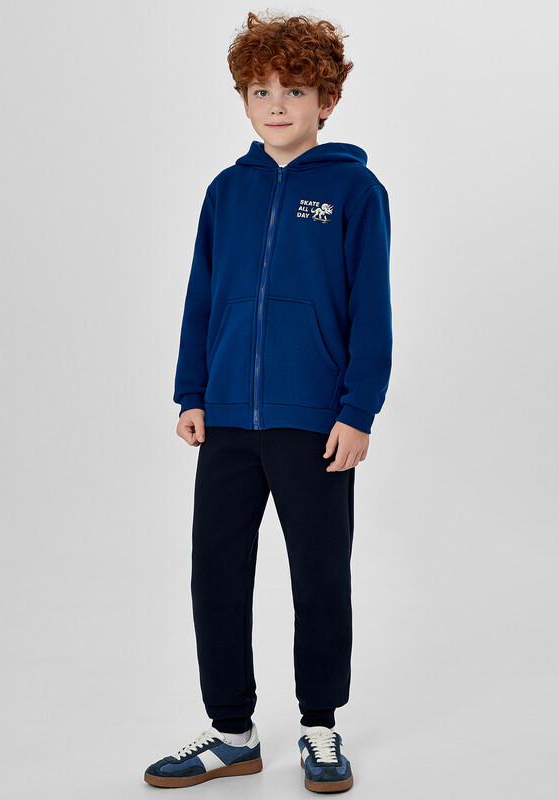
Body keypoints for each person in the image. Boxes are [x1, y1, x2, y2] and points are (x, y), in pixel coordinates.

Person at [144, 10, 392, 794]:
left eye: (294, 90)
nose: (276, 104)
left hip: (314, 421)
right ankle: (231, 734)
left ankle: (319, 725)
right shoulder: (226, 192)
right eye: (260, 90)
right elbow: (201, 297)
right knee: (215, 573)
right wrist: (192, 391)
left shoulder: (354, 190)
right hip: (226, 418)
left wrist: (357, 411)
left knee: (319, 576)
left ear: (327, 100)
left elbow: (372, 309)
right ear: (244, 100)